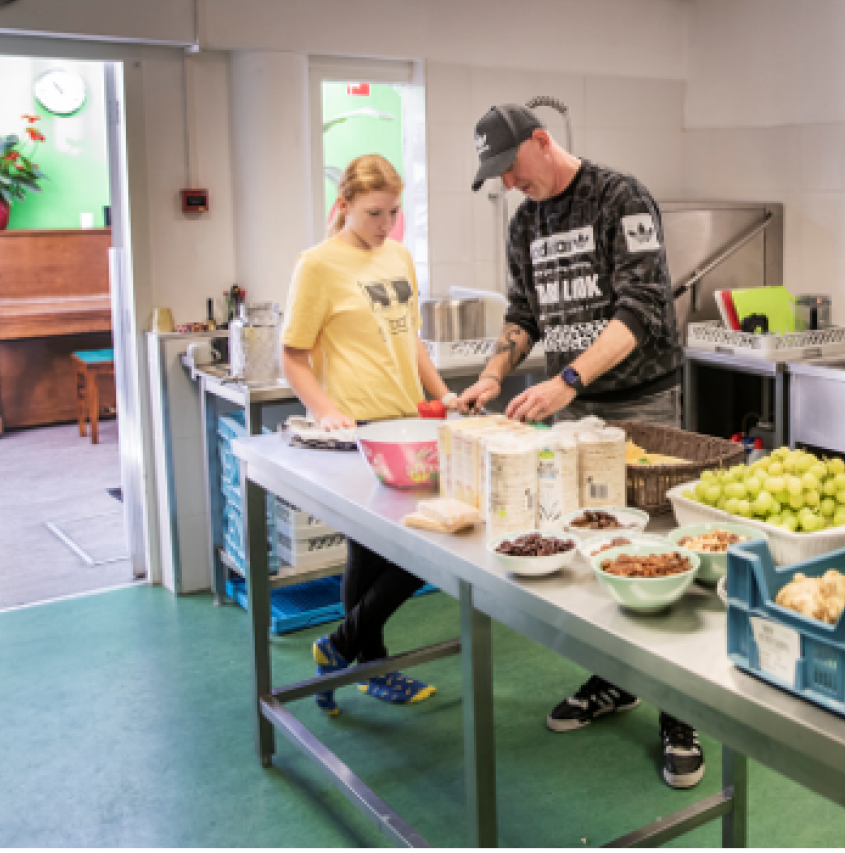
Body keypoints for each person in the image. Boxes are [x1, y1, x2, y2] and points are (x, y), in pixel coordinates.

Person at [450, 102, 702, 790]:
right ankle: (616, 679)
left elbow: (643, 311)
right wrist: (494, 373)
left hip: (639, 407)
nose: (508, 183)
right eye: (495, 176)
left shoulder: (619, 198)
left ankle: (681, 713)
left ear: (541, 140)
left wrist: (566, 380)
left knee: (654, 556)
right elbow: (523, 315)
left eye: (510, 167)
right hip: (572, 414)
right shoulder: (525, 222)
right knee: (593, 556)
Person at [281, 154, 450, 715]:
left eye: (394, 212)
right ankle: (356, 657)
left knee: (376, 550)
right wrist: (325, 409)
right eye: (375, 213)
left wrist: (443, 395)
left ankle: (345, 655)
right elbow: (294, 356)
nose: (386, 225)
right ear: (345, 206)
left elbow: (413, 341)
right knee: (408, 547)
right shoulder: (318, 265)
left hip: (406, 422)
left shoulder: (399, 255)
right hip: (358, 429)